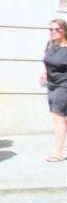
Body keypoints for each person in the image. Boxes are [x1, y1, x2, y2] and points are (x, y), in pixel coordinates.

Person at [39, 18, 67, 162]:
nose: (53, 32)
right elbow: (47, 61)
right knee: (58, 118)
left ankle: (58, 153)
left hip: (64, 86)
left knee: (58, 117)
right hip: (52, 85)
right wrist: (44, 74)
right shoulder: (50, 45)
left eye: (57, 29)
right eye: (51, 29)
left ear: (64, 30)